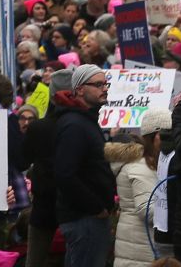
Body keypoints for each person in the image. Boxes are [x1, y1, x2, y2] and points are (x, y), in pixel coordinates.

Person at [53, 64, 116, 267]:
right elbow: (65, 174)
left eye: (105, 84)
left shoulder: (84, 121)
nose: (104, 88)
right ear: (79, 89)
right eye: (98, 84)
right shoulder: (74, 125)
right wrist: (96, 207)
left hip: (87, 219)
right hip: (85, 220)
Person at [105, 108, 173, 267]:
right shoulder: (141, 167)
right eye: (168, 134)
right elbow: (147, 209)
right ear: (155, 136)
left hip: (137, 247)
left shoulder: (148, 163)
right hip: (141, 250)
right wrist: (178, 205)